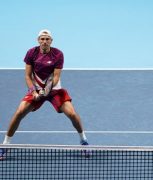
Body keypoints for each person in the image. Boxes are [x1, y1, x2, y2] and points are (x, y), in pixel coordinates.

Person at [0, 29, 90, 158]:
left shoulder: (58, 54)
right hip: (36, 89)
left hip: (54, 90)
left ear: (51, 41)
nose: (44, 41)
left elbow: (56, 77)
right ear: (38, 40)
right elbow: (27, 76)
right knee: (19, 112)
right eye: (42, 39)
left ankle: (84, 141)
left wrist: (46, 91)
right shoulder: (31, 53)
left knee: (72, 114)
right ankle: (5, 145)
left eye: (47, 39)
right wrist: (33, 91)